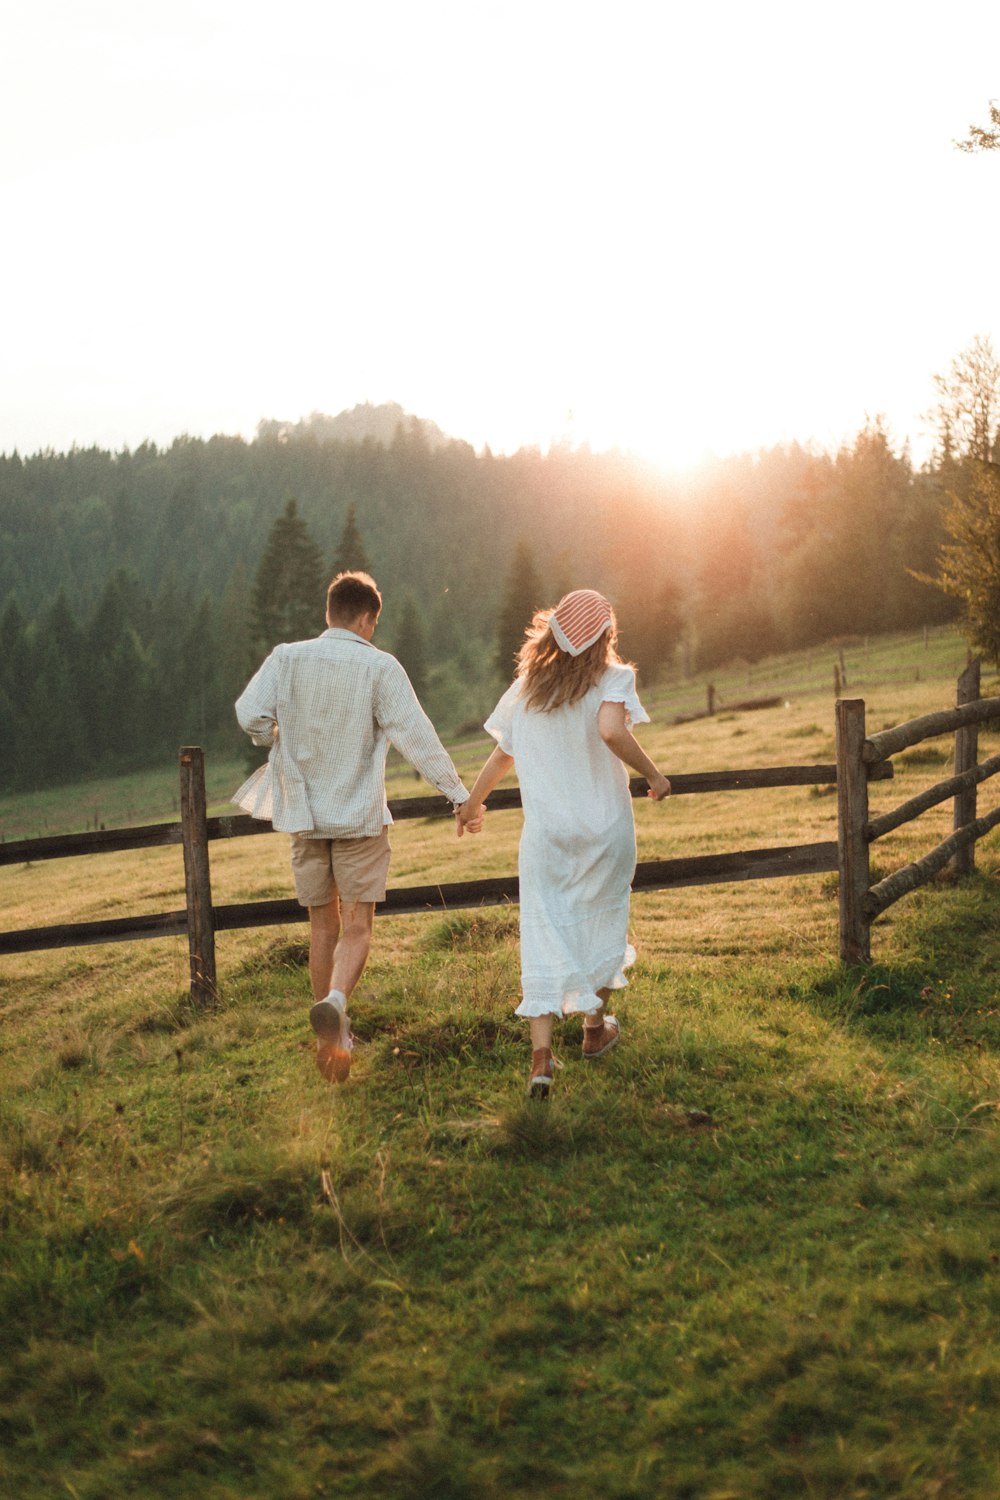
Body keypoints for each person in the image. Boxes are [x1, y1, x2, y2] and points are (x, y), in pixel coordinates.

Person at [234, 571, 477, 1084]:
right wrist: (458, 795)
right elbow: (416, 736)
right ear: (366, 619)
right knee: (358, 927)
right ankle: (338, 1005)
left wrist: (276, 737)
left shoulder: (286, 658)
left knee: (322, 927)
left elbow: (249, 715)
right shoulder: (379, 667)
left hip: (305, 817)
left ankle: (330, 1035)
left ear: (330, 613)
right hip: (358, 819)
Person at [457, 588, 670, 1098]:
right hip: (605, 830)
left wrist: (471, 804)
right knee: (602, 920)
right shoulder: (614, 678)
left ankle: (541, 1062)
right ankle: (594, 1032)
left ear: (550, 632)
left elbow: (501, 756)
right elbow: (612, 731)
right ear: (606, 638)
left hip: (547, 836)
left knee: (544, 931)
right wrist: (655, 775)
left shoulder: (528, 689)